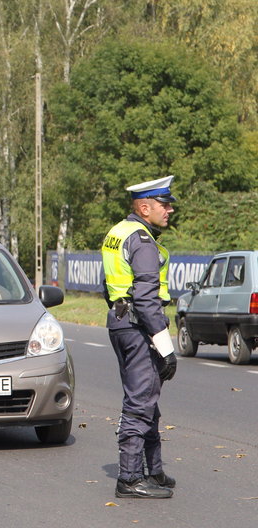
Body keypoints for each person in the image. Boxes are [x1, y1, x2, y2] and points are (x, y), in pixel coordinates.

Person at [101, 175, 178, 499]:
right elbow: (146, 301)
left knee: (146, 398)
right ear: (145, 207)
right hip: (139, 328)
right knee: (139, 402)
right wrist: (165, 347)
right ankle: (130, 478)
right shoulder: (142, 241)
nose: (170, 209)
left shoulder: (117, 233)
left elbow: (106, 285)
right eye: (165, 204)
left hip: (121, 321)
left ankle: (154, 470)